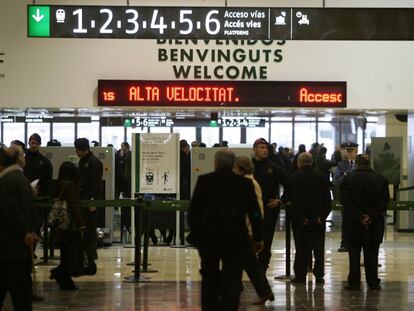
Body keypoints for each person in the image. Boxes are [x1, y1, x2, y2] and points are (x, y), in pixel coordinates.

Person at [188, 149, 264, 311]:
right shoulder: (245, 184)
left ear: (216, 162)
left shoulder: (205, 181)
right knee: (233, 278)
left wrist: (196, 236)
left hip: (210, 238)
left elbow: (194, 212)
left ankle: (210, 306)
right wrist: (258, 237)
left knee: (209, 277)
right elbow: (255, 212)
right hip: (236, 238)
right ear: (232, 164)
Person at [340, 154, 389, 291]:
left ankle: (354, 283)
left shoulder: (348, 179)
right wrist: (371, 216)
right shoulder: (381, 179)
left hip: (353, 223)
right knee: (372, 254)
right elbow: (384, 201)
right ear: (369, 163)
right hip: (374, 223)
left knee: (354, 255)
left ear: (357, 163)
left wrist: (359, 216)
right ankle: (373, 282)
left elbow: (345, 201)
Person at [0, 147, 40, 310]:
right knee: (18, 288)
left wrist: (24, 232)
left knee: (18, 290)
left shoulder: (7, 180)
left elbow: (11, 211)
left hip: (8, 245)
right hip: (16, 245)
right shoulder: (20, 178)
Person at [233, 156, 274, 305]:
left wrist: (252, 231)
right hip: (244, 230)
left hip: (246, 231)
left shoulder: (250, 183)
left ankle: (265, 291)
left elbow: (257, 211)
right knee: (248, 263)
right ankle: (264, 291)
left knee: (250, 263)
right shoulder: (245, 182)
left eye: (235, 167)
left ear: (241, 168)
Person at [252, 138, 295, 271]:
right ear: (254, 149)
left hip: (269, 210)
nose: (265, 150)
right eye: (261, 147)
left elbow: (290, 184)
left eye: (266, 148)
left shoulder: (273, 168)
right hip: (250, 211)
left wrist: (281, 200)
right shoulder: (248, 166)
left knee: (265, 243)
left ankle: (262, 271)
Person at [291, 153, 331, 284]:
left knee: (301, 249)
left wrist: (302, 217)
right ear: (312, 161)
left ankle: (300, 276)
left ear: (299, 162)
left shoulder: (295, 177)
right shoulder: (322, 177)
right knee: (318, 248)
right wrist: (322, 216)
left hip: (301, 221)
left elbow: (295, 200)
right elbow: (327, 200)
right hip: (318, 220)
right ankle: (319, 275)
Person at [50, 162, 85, 290]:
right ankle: (59, 274)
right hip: (69, 226)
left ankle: (65, 281)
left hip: (61, 226)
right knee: (70, 255)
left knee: (65, 255)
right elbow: (73, 205)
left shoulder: (59, 184)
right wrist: (81, 223)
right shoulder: (70, 185)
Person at [74, 138, 103, 260]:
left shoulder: (93, 162)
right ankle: (86, 252)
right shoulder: (83, 161)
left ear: (83, 149)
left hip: (89, 200)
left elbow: (96, 183)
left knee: (90, 228)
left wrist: (93, 200)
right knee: (85, 227)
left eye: (77, 149)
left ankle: (91, 253)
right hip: (82, 199)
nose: (76, 151)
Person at [334, 142, 359, 252]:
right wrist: (346, 178)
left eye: (351, 150)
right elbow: (336, 180)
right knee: (346, 221)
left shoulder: (360, 163)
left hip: (358, 197)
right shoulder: (341, 164)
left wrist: (346, 177)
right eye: (347, 150)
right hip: (346, 197)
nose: (348, 153)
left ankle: (357, 243)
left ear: (356, 152)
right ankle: (345, 243)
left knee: (357, 221)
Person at [24, 133, 53, 197]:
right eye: (33, 143)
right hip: (23, 191)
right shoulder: (22, 159)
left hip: (40, 192)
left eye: (37, 144)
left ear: (40, 144)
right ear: (29, 143)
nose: (34, 145)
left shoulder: (45, 161)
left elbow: (48, 180)